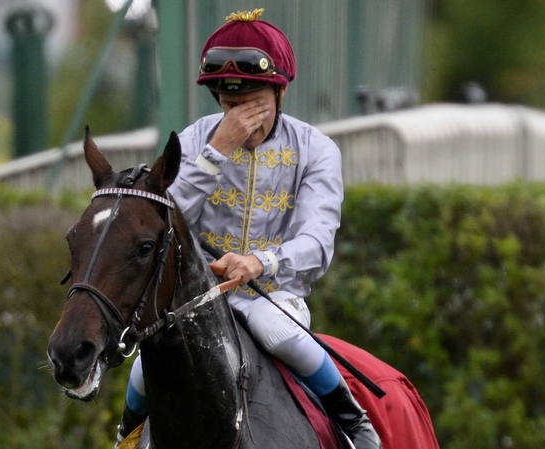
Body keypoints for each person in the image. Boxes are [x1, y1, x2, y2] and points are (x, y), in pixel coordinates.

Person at [117, 9, 381, 449]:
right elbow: (162, 222)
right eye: (228, 105)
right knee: (147, 364)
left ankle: (356, 425)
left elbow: (317, 241)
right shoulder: (194, 140)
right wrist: (216, 151)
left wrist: (260, 262)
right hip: (197, 298)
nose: (241, 120)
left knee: (277, 334)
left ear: (279, 93)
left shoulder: (317, 150)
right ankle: (125, 436)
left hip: (274, 296)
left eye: (252, 105)